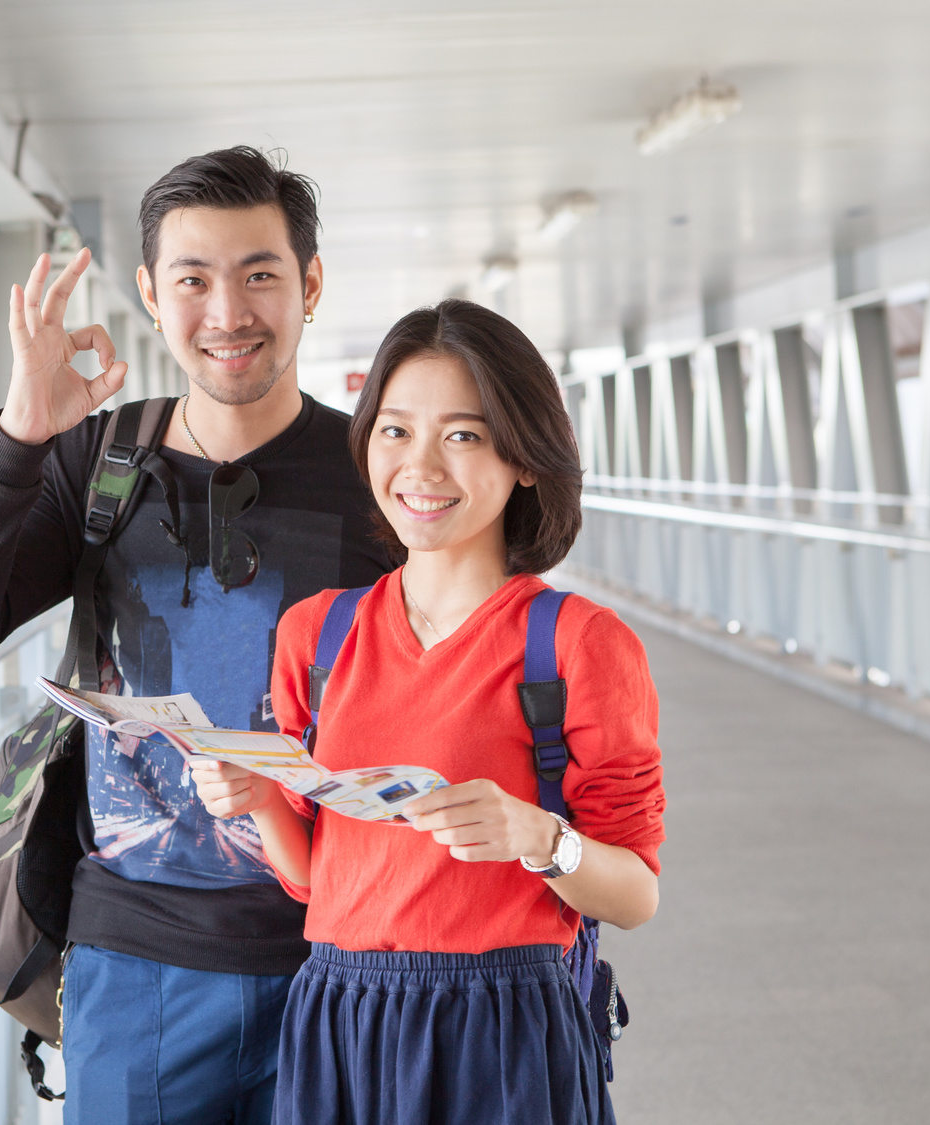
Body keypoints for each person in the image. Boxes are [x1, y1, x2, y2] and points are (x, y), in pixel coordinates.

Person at [0, 147, 394, 1124]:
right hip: (136, 964)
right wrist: (18, 437)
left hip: (344, 952)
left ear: (309, 284)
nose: (228, 312)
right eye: (192, 278)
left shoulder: (372, 473)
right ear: (150, 292)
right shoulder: (99, 457)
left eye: (259, 274)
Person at [193, 299, 666, 1125]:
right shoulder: (319, 635)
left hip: (504, 1021)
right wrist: (261, 796)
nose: (422, 466)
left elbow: (633, 895)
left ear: (524, 458)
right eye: (395, 430)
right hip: (341, 1012)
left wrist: (538, 837)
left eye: (464, 435)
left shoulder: (580, 643)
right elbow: (319, 879)